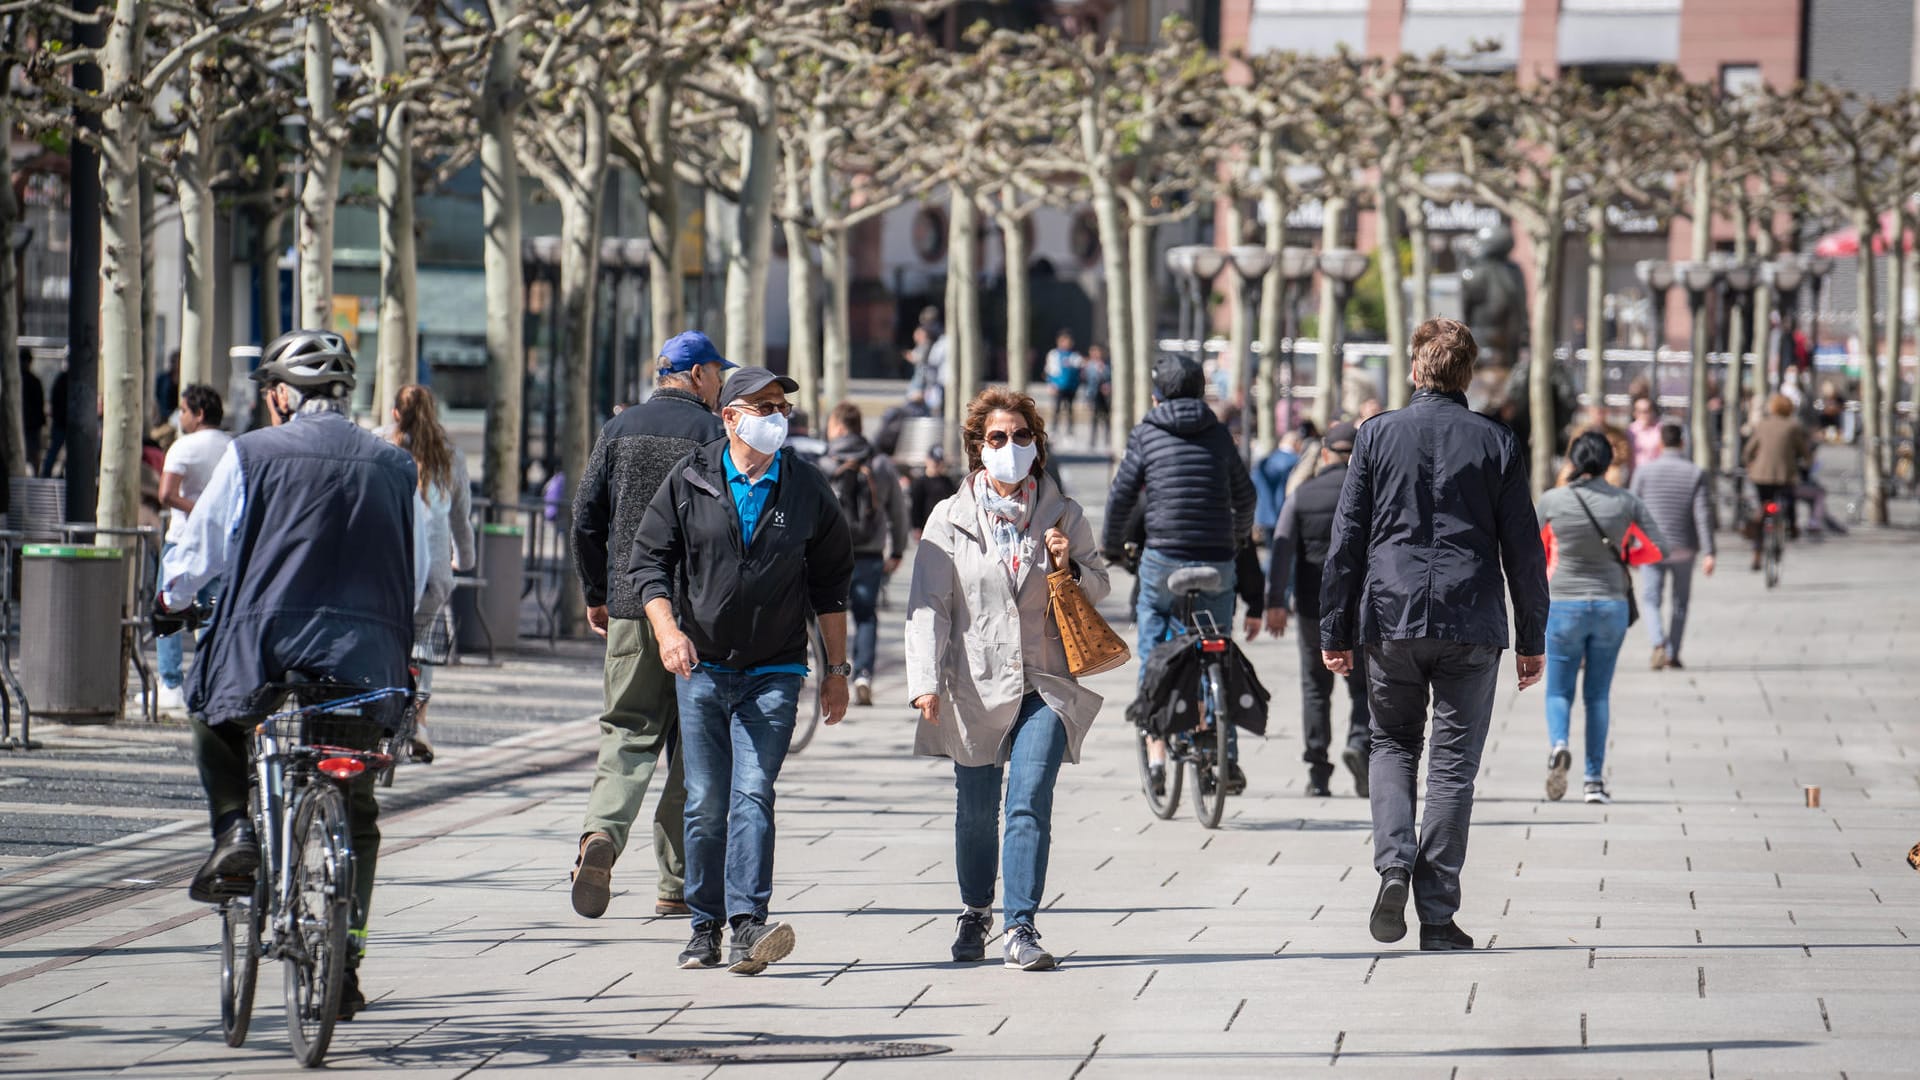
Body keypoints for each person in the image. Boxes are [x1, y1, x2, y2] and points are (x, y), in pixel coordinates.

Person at [157, 329, 429, 1020]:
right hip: (368, 656)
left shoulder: (252, 453)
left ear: (281, 394)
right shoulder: (396, 466)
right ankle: (347, 959)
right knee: (359, 808)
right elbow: (424, 574)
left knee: (213, 713)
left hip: (264, 642)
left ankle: (236, 833)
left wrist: (169, 602)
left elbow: (199, 551)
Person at [1320, 317, 1549, 953]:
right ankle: (1439, 915)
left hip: (1389, 615)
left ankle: (1394, 865)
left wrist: (1333, 626)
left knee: (1391, 744)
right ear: (1467, 374)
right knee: (1453, 768)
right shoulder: (1497, 441)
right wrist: (1533, 636)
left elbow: (1347, 540)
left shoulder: (1375, 436)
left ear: (1417, 371)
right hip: (1470, 615)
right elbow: (1524, 549)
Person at [628, 365, 854, 975]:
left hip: (775, 671)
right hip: (700, 668)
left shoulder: (806, 488)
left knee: (753, 793)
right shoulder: (691, 478)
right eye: (763, 405)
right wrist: (668, 631)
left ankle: (748, 923)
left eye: (782, 405)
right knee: (704, 801)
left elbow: (833, 586)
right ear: (729, 416)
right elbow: (648, 563)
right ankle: (704, 925)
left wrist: (838, 670)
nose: (777, 415)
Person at [905, 386, 1110, 971]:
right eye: (999, 437)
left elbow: (1099, 590)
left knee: (1028, 800)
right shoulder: (948, 518)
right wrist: (924, 680)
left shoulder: (1063, 512)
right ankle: (975, 910)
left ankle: (1022, 927)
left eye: (1023, 436)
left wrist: (1069, 565)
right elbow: (928, 605)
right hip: (973, 685)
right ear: (978, 446)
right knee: (975, 810)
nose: (1012, 446)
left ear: (1037, 444)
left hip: (1047, 683)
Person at [569, 330, 731, 921]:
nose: (719, 385)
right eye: (717, 373)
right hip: (699, 618)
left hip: (632, 611)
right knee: (695, 750)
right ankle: (676, 883)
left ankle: (601, 837)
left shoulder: (618, 429)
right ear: (696, 375)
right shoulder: (715, 434)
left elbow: (586, 517)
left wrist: (598, 593)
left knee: (626, 732)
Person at [1104, 353, 1258, 796]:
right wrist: (1236, 538)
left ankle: (1155, 752)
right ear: (1200, 392)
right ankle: (1224, 755)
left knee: (1154, 643)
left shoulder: (1147, 433)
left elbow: (1120, 498)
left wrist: (1113, 547)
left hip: (1164, 557)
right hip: (1216, 559)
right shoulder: (1218, 433)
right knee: (1218, 644)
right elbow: (1245, 496)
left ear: (1155, 394)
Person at [1537, 432, 1663, 805]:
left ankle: (1559, 744)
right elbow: (1657, 547)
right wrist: (1626, 558)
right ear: (1609, 463)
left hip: (1562, 603)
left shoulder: (1553, 500)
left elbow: (1529, 547)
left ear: (1573, 461)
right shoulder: (1626, 502)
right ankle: (1594, 781)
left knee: (1559, 689)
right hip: (1610, 605)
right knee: (1598, 694)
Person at [1265, 422, 1370, 798]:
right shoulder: (1372, 496)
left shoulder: (1302, 496)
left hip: (1314, 608)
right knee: (1365, 686)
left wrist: (1275, 600)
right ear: (1358, 455)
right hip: (1363, 608)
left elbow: (1281, 549)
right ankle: (1360, 743)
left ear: (1324, 454)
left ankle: (1317, 772)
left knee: (1315, 688)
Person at [380, 385, 475, 759]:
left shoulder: (381, 448)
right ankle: (419, 723)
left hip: (389, 570)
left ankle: (378, 711)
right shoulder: (450, 457)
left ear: (393, 414)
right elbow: (460, 519)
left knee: (386, 639)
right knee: (421, 646)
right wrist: (464, 560)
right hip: (435, 574)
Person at [820, 401, 909, 706]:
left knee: (828, 612)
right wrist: (897, 549)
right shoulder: (880, 463)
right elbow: (897, 510)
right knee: (866, 616)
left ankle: (829, 672)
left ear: (841, 427)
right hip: (870, 552)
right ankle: (864, 674)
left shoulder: (825, 462)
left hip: (831, 554)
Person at [154, 385, 234, 713]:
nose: (180, 416)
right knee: (216, 613)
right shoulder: (234, 447)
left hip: (182, 539)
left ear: (198, 414)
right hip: (223, 544)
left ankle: (170, 683)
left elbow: (166, 494)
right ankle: (213, 679)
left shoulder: (182, 448)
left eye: (184, 411)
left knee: (169, 610)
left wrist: (197, 509)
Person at [1630, 422, 1714, 670]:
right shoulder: (1695, 473)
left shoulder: (1644, 472)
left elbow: (1632, 510)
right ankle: (1673, 652)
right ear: (1683, 443)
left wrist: (1630, 547)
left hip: (1651, 547)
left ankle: (1658, 642)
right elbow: (1702, 514)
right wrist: (1709, 551)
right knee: (1680, 602)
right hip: (1684, 546)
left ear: (1660, 444)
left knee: (1650, 599)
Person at [1743, 394, 1812, 570]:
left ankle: (1757, 552)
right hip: (1784, 476)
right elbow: (1804, 451)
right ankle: (1792, 526)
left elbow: (1749, 450)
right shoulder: (1793, 427)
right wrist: (1807, 463)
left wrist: (1750, 463)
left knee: (1763, 508)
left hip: (1761, 476)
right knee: (1789, 501)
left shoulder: (1762, 424)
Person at [1252, 429, 1302, 546]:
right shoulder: (1294, 461)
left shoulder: (1264, 461)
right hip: (1284, 513)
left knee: (1271, 552)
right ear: (1296, 443)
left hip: (1265, 514)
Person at [909, 444, 959, 539]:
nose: (936, 464)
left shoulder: (948, 482)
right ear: (927, 460)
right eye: (934, 461)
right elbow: (915, 506)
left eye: (939, 462)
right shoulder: (920, 482)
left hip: (945, 528)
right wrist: (917, 527)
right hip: (926, 527)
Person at [1043, 330, 1083, 436]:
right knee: (1056, 408)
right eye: (1063, 341)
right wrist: (1051, 384)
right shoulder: (1053, 354)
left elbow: (1080, 366)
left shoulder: (1074, 356)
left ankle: (1070, 430)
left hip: (1071, 387)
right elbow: (1049, 371)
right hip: (1058, 387)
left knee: (1070, 409)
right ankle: (1054, 428)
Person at [18, 349, 44, 474]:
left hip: (25, 425)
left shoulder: (16, 381)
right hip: (32, 425)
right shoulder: (34, 381)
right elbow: (39, 404)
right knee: (33, 454)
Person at [1082, 344, 1113, 447]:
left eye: (1098, 352)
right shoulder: (1089, 365)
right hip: (1093, 394)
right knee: (1094, 418)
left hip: (1105, 395)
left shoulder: (1107, 365)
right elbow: (1087, 382)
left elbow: (1110, 377)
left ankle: (1108, 438)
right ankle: (1092, 439)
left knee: (1106, 417)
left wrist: (1108, 386)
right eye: (1093, 352)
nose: (1096, 354)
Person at [41, 362, 68, 477]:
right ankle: (60, 473)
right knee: (59, 451)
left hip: (59, 422)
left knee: (54, 450)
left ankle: (47, 473)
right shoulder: (66, 380)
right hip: (64, 423)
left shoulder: (60, 380)